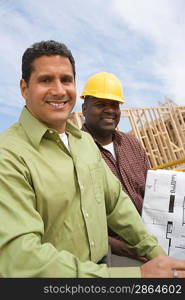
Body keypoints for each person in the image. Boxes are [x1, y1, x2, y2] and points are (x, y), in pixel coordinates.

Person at [0, 40, 185, 278]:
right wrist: (138, 276)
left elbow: (116, 204)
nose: (58, 90)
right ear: (24, 88)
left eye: (66, 80)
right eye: (46, 80)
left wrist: (155, 254)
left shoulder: (84, 145)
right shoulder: (9, 155)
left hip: (105, 263)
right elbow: (22, 259)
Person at [80, 72, 149, 261]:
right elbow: (78, 221)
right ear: (84, 109)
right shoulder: (75, 152)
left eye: (114, 104)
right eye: (101, 104)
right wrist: (126, 248)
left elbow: (151, 194)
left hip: (149, 241)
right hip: (110, 252)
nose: (109, 110)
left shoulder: (132, 145)